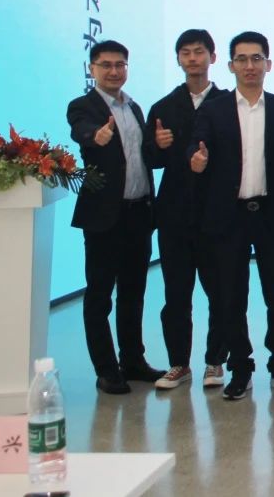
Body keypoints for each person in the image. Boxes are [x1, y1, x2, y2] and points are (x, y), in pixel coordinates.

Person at [190, 31, 274, 400]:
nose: (250, 66)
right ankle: (240, 369)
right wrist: (196, 158)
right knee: (231, 297)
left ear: (268, 64)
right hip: (229, 216)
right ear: (230, 66)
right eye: (242, 59)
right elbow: (197, 145)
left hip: (272, 214)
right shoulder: (214, 109)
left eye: (257, 58)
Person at [66, 40, 164, 395]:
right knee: (100, 296)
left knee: (133, 293)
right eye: (105, 65)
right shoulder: (83, 106)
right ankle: (106, 370)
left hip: (139, 213)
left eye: (120, 65)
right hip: (104, 218)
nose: (113, 71)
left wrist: (160, 145)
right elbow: (80, 130)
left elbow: (145, 157)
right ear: (92, 69)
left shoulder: (134, 107)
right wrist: (95, 136)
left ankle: (133, 361)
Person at [144, 29, 230, 390]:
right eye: (186, 53)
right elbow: (150, 159)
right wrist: (159, 146)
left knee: (220, 292)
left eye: (199, 51)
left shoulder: (228, 103)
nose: (193, 58)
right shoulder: (163, 107)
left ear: (213, 57)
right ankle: (179, 363)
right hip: (175, 215)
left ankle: (215, 361)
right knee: (176, 295)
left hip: (217, 213)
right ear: (178, 59)